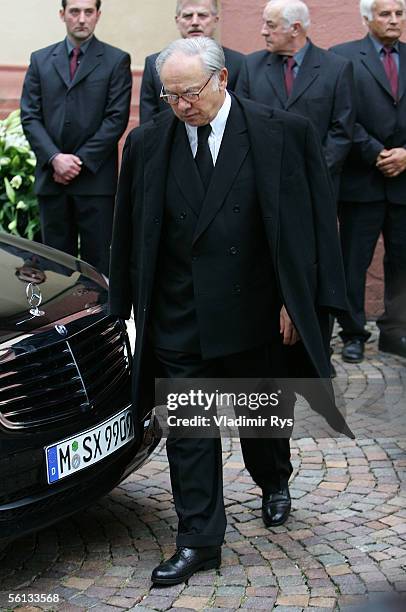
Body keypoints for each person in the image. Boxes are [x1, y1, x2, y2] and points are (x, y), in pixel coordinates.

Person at [109, 36, 350, 586]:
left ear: (222, 80)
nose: (181, 105)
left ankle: (274, 480)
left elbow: (312, 224)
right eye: (169, 96)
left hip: (256, 306)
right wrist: (123, 308)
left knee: (260, 417)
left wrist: (301, 300)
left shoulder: (283, 133)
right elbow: (127, 233)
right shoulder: (147, 144)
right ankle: (199, 540)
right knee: (191, 430)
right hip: (179, 312)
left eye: (189, 92)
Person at [20, 0, 132, 276]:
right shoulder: (40, 59)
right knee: (55, 265)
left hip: (95, 181)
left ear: (98, 15)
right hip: (52, 179)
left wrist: (78, 161)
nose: (81, 18)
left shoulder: (116, 60)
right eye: (74, 11)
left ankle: (101, 317)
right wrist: (55, 158)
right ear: (62, 15)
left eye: (88, 12)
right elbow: (30, 115)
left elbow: (116, 118)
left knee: (98, 264)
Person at [331, 0, 406, 362]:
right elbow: (342, 115)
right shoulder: (343, 58)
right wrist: (377, 152)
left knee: (401, 261)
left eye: (399, 13)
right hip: (362, 181)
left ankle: (395, 331)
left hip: (404, 181)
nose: (394, 20)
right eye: (385, 14)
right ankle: (353, 333)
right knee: (353, 262)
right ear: (367, 18)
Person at [235, 0, 354, 198]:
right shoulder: (251, 65)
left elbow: (341, 129)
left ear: (295, 29)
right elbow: (239, 122)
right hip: (262, 184)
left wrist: (315, 169)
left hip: (316, 185)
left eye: (271, 25)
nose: (263, 31)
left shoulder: (336, 68)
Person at [139, 0, 244, 124]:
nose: (195, 22)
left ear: (216, 20)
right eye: (188, 16)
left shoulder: (239, 63)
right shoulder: (155, 63)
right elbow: (148, 124)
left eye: (202, 15)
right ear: (177, 21)